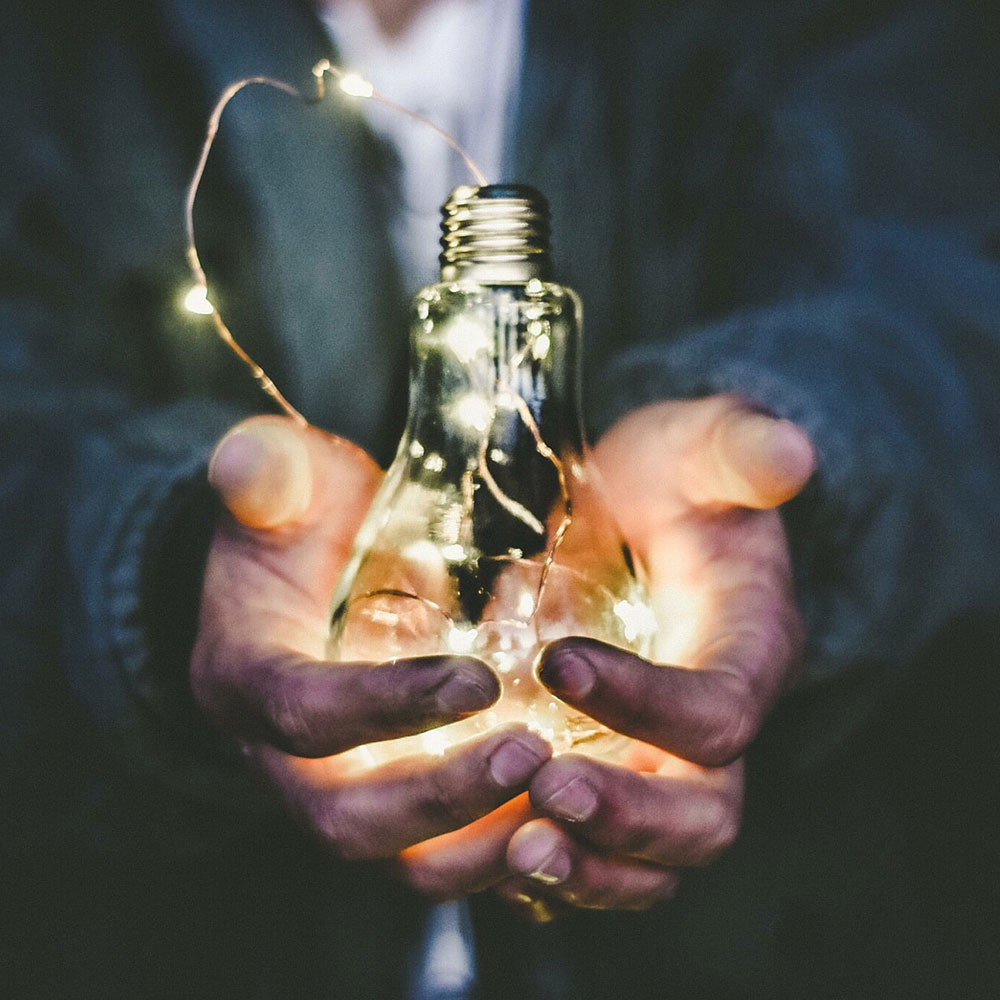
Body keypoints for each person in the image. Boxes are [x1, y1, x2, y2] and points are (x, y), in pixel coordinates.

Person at [2, 1, 998, 997]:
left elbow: (945, 283)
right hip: (192, 943)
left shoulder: (815, 31)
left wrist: (792, 463)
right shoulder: (54, 56)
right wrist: (168, 568)